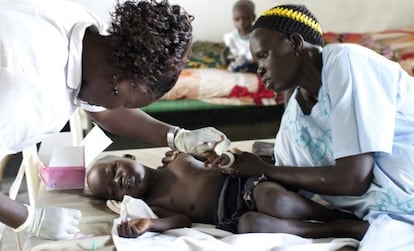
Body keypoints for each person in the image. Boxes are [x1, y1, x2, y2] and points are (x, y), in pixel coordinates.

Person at [0, 0, 229, 240]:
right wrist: (28, 218)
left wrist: (177, 137)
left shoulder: (92, 37)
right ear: (119, 84)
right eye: (126, 103)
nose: (122, 108)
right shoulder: (23, 96)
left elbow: (106, 109)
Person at [222, 3, 414, 246]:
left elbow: (354, 179)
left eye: (263, 55)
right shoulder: (295, 111)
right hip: (368, 207)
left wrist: (263, 168)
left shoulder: (345, 60)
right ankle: (345, 223)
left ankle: (338, 226)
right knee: (268, 198)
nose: (259, 69)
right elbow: (291, 175)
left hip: (405, 190)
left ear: (294, 42)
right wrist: (229, 163)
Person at [86, 151, 368, 240]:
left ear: (128, 156)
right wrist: (150, 224)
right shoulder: (154, 204)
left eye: (114, 170)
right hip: (232, 216)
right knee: (252, 227)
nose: (119, 180)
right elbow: (182, 220)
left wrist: (213, 154)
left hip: (246, 188)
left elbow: (218, 153)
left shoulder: (178, 158)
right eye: (114, 189)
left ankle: (330, 215)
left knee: (276, 200)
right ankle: (330, 230)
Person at [220, 0, 257, 73]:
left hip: (254, 61)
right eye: (237, 19)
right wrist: (224, 60)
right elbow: (224, 51)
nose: (241, 23)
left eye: (246, 18)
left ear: (253, 17)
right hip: (238, 60)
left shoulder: (257, 35)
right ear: (233, 19)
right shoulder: (232, 36)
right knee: (235, 63)